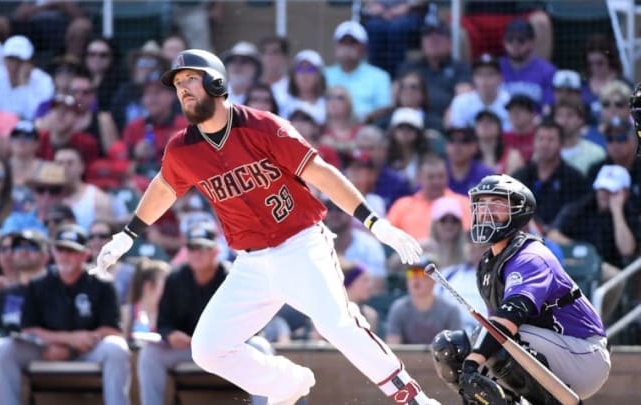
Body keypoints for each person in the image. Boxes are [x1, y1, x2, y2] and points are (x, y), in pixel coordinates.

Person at [96, 49, 439, 405]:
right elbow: (164, 187)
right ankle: (284, 382)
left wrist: (373, 221)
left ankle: (413, 398)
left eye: (190, 80)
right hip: (251, 263)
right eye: (178, 84)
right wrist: (127, 234)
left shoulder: (262, 126)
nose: (182, 89)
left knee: (338, 325)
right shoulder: (182, 148)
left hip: (301, 245)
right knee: (208, 348)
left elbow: (320, 172)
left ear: (216, 82)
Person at [430, 174, 610, 404]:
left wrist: (473, 362)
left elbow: (509, 318)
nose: (486, 212)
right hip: (543, 350)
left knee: (492, 340)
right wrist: (470, 372)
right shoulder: (487, 264)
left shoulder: (531, 255)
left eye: (496, 204)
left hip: (584, 355)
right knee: (451, 348)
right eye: (481, 204)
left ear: (518, 211)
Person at [0, 224, 131, 405]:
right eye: (61, 250)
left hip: (88, 349)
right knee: (5, 348)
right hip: (48, 349)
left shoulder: (103, 283)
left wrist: (77, 345)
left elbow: (113, 330)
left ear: (85, 254)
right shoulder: (38, 284)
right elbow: (28, 330)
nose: (65, 256)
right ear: (52, 252)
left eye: (72, 251)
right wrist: (69, 339)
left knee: (116, 348)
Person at [136, 224, 270, 405]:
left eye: (203, 248)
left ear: (216, 251)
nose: (197, 253)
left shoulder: (233, 277)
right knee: (150, 354)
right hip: (188, 349)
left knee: (260, 346)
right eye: (192, 248)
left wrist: (223, 340)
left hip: (228, 349)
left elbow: (254, 324)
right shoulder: (175, 278)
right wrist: (171, 334)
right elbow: (164, 323)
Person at [325, 21, 393, 122]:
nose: (347, 47)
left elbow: (385, 108)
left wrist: (364, 119)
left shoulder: (380, 76)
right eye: (343, 42)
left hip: (366, 129)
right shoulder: (324, 74)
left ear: (364, 48)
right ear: (336, 47)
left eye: (353, 42)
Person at [385, 260, 462, 344]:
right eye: (411, 273)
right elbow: (394, 347)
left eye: (421, 273)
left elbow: (457, 346)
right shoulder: (399, 308)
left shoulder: (450, 311)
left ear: (434, 279)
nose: (415, 278)